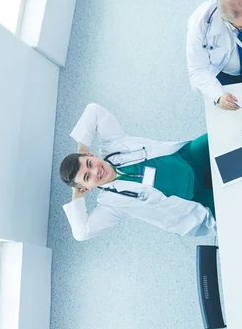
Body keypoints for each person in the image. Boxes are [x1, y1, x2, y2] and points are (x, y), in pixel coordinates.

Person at [59, 103, 217, 241]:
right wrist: (77, 192)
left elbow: (93, 110)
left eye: (89, 163)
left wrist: (81, 151)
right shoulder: (112, 205)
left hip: (189, 158)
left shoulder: (113, 144)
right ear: (85, 188)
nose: (96, 170)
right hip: (196, 202)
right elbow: (81, 233)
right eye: (87, 177)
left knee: (225, 134)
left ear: (90, 155)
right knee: (234, 210)